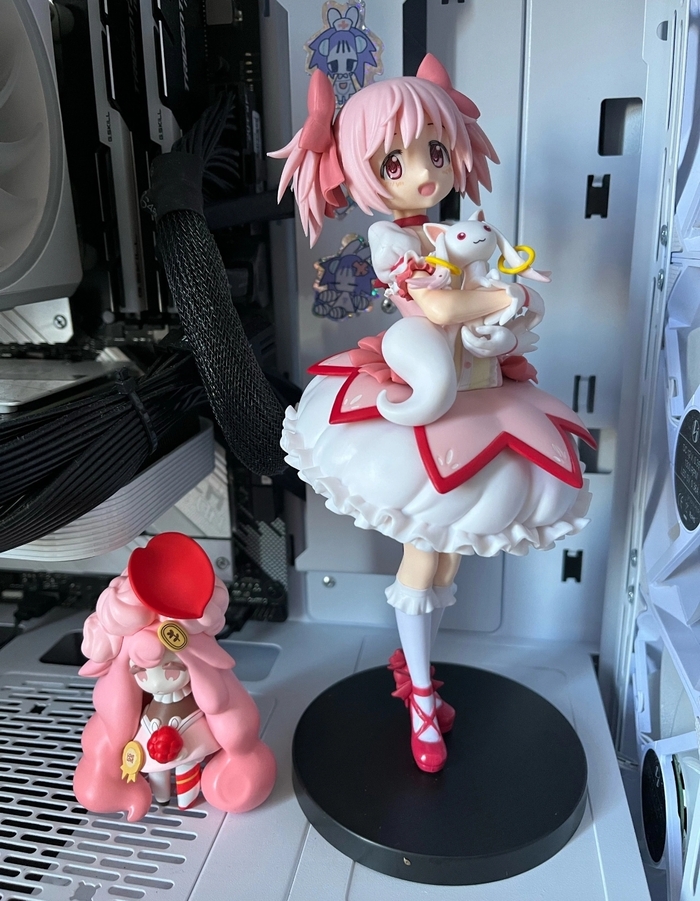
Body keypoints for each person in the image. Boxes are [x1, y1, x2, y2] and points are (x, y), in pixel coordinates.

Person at [271, 55, 593, 773]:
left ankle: (420, 676)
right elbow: (439, 307)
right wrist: (502, 296)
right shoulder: (392, 240)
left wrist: (507, 309)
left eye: (436, 153)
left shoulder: (456, 231)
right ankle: (419, 697)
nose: (422, 173)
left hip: (482, 391)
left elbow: (496, 298)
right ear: (362, 174)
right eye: (395, 162)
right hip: (427, 398)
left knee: (446, 556)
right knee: (424, 553)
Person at [74, 533, 276, 819]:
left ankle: (186, 800)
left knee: (187, 763)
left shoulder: (207, 688)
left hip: (189, 720)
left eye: (172, 668)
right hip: (152, 723)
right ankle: (161, 797)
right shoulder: (130, 704)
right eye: (140, 671)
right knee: (155, 771)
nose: (155, 680)